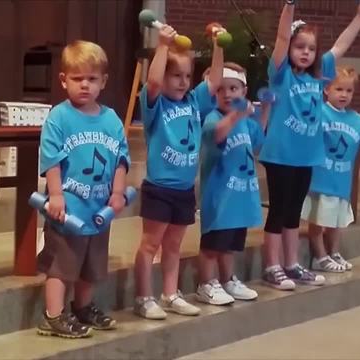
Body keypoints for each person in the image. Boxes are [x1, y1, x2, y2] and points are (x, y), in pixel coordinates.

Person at [258, 0, 360, 290]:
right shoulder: (281, 74)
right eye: (300, 47)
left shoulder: (319, 74)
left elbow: (340, 46)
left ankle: (292, 264)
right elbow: (283, 36)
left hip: (306, 157)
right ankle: (272, 266)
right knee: (278, 211)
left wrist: (359, 17)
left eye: (310, 48)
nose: (306, 53)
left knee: (294, 212)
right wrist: (289, 5)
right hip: (280, 155)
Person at [36, 40, 130, 338]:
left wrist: (117, 192)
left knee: (92, 266)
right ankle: (53, 315)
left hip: (98, 210)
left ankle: (82, 307)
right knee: (62, 266)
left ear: (103, 81)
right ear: (64, 81)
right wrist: (56, 195)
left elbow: (121, 159)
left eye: (92, 79)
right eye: (77, 79)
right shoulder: (60, 117)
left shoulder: (111, 120)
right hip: (68, 211)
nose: (85, 85)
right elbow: (51, 159)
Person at [133, 23, 223, 319]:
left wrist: (218, 45)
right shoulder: (155, 106)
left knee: (174, 246)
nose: (183, 82)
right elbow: (155, 83)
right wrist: (161, 46)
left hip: (185, 189)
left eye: (187, 76)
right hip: (160, 187)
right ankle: (143, 297)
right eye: (176, 75)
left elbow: (214, 82)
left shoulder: (194, 102)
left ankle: (170, 293)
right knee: (151, 245)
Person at [196, 62, 270, 305]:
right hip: (220, 198)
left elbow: (258, 137)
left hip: (240, 197)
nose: (227, 94)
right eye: (221, 89)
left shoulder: (246, 122)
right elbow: (217, 133)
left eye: (234, 89)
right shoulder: (212, 118)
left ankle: (227, 279)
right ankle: (206, 283)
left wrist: (267, 106)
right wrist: (238, 113)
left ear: (244, 91)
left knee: (229, 246)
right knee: (212, 246)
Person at [303, 66, 360, 272]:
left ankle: (334, 252)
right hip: (320, 179)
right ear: (326, 90)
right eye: (339, 89)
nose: (344, 95)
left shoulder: (355, 119)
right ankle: (319, 257)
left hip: (341, 182)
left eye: (349, 91)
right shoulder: (320, 111)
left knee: (337, 222)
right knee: (318, 221)